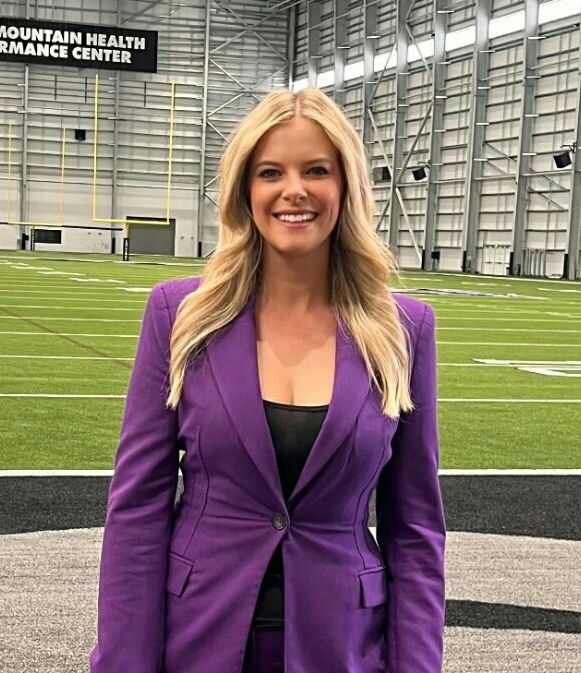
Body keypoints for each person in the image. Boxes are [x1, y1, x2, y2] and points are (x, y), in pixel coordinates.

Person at [89, 87, 446, 673]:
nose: (294, 190)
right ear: (245, 190)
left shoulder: (404, 329)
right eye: (271, 172)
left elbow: (415, 529)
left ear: (346, 186)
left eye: (317, 170)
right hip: (198, 637)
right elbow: (137, 512)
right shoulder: (179, 315)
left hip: (343, 645)